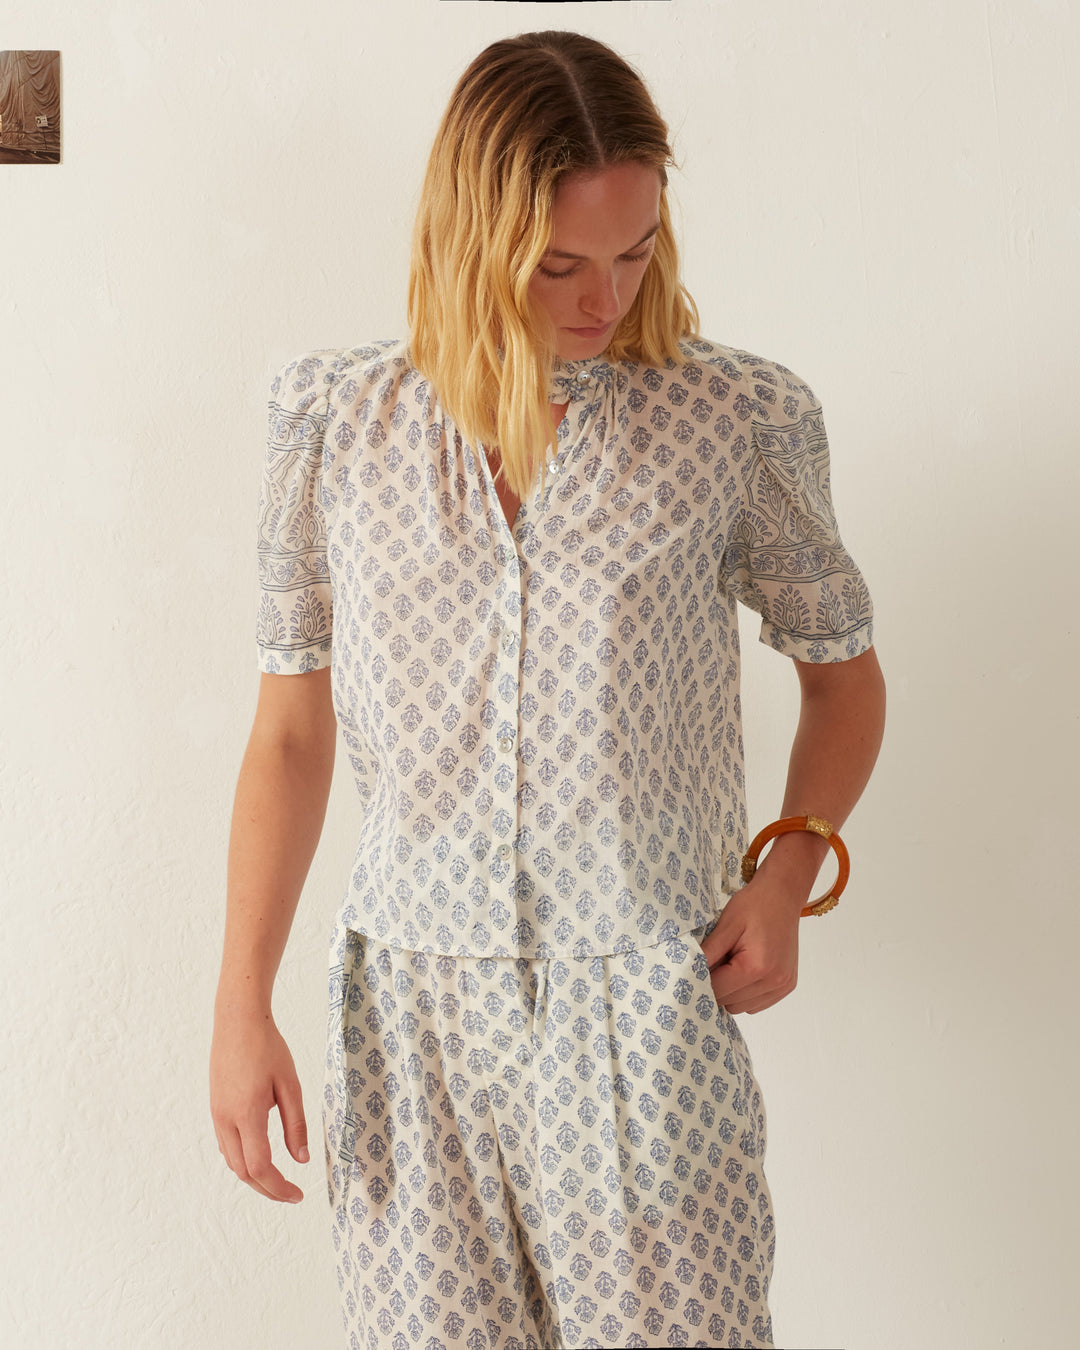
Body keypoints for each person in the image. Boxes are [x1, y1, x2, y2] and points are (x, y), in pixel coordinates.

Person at [210, 29, 885, 1350]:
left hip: (646, 1002)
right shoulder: (337, 427)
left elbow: (844, 678)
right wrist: (242, 1004)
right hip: (412, 1024)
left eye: (635, 252)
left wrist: (789, 870)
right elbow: (290, 737)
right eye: (562, 263)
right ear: (470, 235)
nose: (605, 297)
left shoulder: (733, 420)